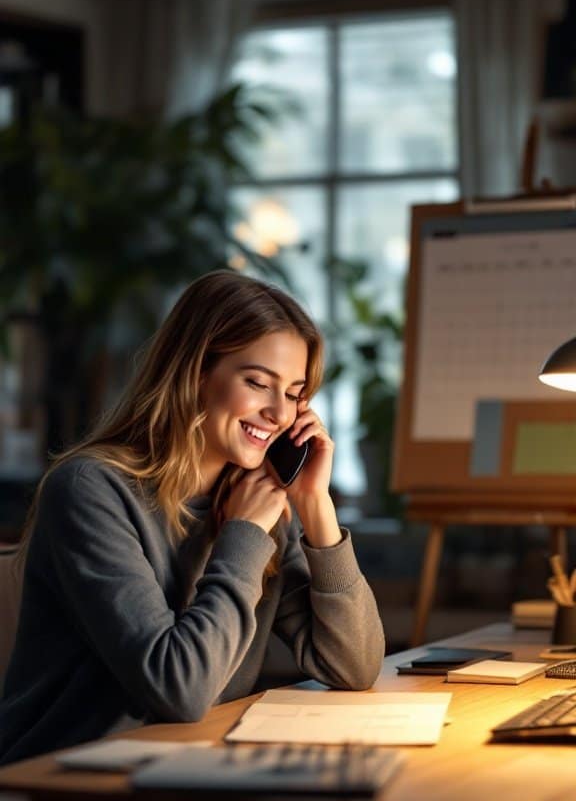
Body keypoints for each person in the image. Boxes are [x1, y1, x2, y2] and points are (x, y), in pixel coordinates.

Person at [0, 270, 385, 764]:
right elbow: (178, 690)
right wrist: (243, 538)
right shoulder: (89, 490)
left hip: (185, 769)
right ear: (196, 373)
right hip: (60, 783)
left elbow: (354, 665)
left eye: (292, 393)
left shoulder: (259, 499)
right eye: (257, 383)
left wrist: (315, 506)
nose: (278, 414)